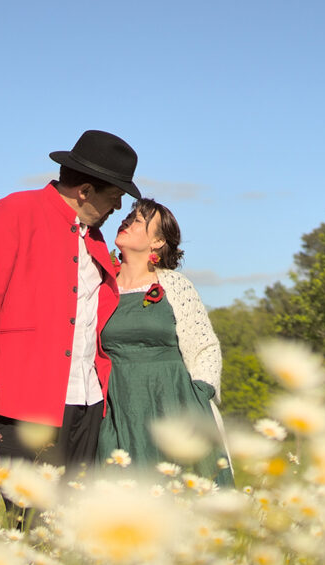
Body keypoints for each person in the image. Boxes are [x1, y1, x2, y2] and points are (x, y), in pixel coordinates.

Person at [0, 130, 138, 474]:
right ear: (84, 191)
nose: (117, 207)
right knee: (27, 512)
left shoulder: (96, 238)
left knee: (71, 512)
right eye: (114, 196)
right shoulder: (14, 211)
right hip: (24, 393)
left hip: (88, 397)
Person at [96, 199, 233, 487]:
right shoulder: (97, 283)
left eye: (138, 220)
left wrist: (200, 393)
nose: (127, 221)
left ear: (157, 242)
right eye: (130, 216)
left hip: (174, 403)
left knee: (184, 495)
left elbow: (205, 346)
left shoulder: (176, 286)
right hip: (118, 406)